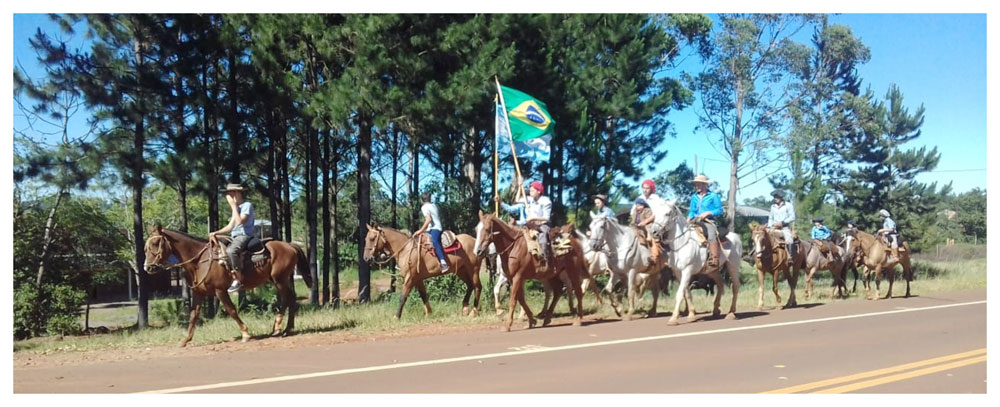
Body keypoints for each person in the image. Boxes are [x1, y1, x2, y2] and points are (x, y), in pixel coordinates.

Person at [210, 183, 260, 293]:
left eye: (230, 193)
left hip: (244, 235)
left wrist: (233, 206)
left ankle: (238, 278)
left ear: (237, 193)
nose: (228, 196)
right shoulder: (237, 208)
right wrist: (215, 233)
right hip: (234, 236)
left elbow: (239, 222)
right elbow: (230, 227)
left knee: (231, 250)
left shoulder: (247, 205)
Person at [687, 175, 724, 268]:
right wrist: (688, 217)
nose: (697, 185)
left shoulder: (713, 196)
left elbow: (719, 210)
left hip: (708, 221)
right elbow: (692, 210)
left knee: (711, 233)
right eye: (696, 184)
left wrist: (709, 213)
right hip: (695, 220)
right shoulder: (694, 197)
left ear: (704, 184)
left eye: (699, 183)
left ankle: (714, 257)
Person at [413, 192, 449, 273]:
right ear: (430, 198)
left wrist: (420, 230)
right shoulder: (434, 205)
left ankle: (443, 263)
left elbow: (428, 219)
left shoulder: (424, 207)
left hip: (435, 228)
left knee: (435, 241)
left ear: (422, 200)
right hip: (431, 228)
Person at [524, 181, 553, 261]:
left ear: (539, 191)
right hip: (531, 224)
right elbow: (517, 199)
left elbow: (546, 218)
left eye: (532, 191)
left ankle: (544, 257)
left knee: (542, 236)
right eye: (530, 191)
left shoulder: (546, 201)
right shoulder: (530, 200)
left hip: (543, 224)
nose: (530, 192)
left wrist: (533, 218)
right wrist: (520, 186)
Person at [767, 189, 796, 267]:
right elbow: (771, 218)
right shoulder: (773, 206)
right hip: (773, 227)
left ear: (781, 197)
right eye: (774, 197)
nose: (775, 198)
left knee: (789, 239)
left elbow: (792, 217)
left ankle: (790, 257)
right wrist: (769, 226)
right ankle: (753, 256)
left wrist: (782, 223)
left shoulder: (788, 205)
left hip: (784, 228)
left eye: (776, 197)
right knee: (761, 236)